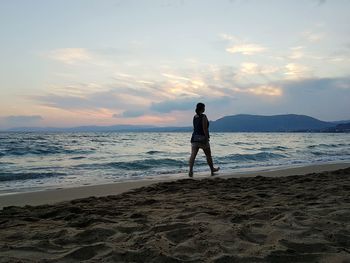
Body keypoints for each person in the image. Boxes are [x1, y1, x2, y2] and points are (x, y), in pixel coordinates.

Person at [189, 103, 220, 177]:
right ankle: (212, 169)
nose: (204, 108)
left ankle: (190, 171)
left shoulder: (194, 117)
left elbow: (194, 128)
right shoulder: (203, 116)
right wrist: (207, 138)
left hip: (194, 138)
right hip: (202, 139)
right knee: (208, 155)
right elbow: (205, 128)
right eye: (204, 107)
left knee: (193, 155)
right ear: (202, 108)